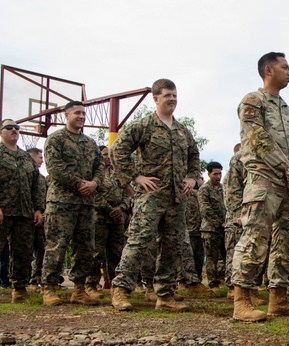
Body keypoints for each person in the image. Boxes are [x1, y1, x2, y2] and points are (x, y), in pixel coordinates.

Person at [230, 52, 289, 321]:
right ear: (268, 70)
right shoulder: (253, 101)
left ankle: (278, 299)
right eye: (284, 67)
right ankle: (242, 300)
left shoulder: (288, 110)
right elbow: (257, 139)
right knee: (256, 237)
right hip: (264, 178)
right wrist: (286, 167)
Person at [109, 79, 201, 312]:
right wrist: (134, 177)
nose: (172, 99)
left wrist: (192, 178)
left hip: (177, 199)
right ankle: (121, 290)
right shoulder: (144, 126)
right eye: (167, 95)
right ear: (156, 98)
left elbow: (194, 157)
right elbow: (117, 150)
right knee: (139, 242)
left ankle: (165, 295)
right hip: (151, 197)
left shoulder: (182, 131)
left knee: (172, 246)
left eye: (175, 95)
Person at [0, 119, 45, 304]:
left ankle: (19, 290)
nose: (14, 130)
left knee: (23, 253)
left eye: (16, 128)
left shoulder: (26, 158)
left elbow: (36, 186)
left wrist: (37, 209)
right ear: (0, 132)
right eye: (9, 128)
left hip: (23, 213)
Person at [41, 100, 103, 306]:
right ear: (66, 115)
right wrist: (79, 183)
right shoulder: (55, 139)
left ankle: (79, 289)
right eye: (77, 113)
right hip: (61, 202)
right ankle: (49, 288)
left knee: (85, 247)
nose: (81, 116)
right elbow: (54, 167)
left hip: (86, 203)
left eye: (83, 113)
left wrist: (94, 183)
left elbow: (99, 168)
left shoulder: (90, 143)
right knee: (57, 245)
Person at [87, 145, 128, 296]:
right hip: (99, 217)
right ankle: (91, 284)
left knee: (116, 252)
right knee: (96, 252)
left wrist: (121, 208)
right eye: (105, 154)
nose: (108, 157)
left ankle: (115, 285)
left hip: (117, 219)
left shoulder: (117, 174)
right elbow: (93, 195)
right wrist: (109, 209)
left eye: (110, 154)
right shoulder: (93, 174)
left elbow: (127, 193)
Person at [199, 161, 227, 288]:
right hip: (210, 230)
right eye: (215, 174)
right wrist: (219, 223)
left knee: (225, 256)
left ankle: (223, 279)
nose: (218, 177)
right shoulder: (204, 189)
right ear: (209, 174)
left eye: (220, 173)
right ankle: (213, 283)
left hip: (224, 228)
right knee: (211, 258)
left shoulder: (223, 188)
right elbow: (205, 210)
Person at [222, 143, 245, 297]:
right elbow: (232, 196)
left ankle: (242, 286)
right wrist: (238, 215)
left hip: (246, 215)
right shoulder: (232, 172)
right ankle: (232, 287)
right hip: (235, 219)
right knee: (234, 252)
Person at [26, 148, 47, 290]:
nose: (42, 160)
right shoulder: (25, 175)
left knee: (42, 250)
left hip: (42, 220)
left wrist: (45, 213)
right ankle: (25, 281)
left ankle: (37, 279)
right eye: (39, 157)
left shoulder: (42, 178)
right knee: (25, 251)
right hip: (27, 218)